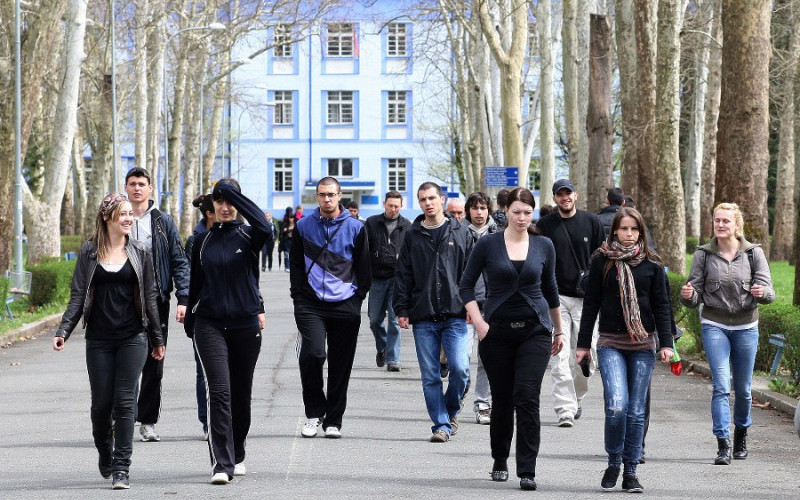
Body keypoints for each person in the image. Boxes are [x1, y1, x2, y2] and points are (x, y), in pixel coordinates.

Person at [52, 193, 165, 490]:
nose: (129, 218)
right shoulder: (89, 252)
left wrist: (157, 337)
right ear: (107, 218)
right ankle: (105, 450)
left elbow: (150, 298)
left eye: (131, 213)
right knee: (101, 406)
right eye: (122, 214)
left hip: (133, 336)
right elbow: (78, 295)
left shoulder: (141, 251)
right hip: (99, 339)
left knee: (125, 401)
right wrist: (63, 330)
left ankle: (121, 467)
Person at [460, 188, 564, 491]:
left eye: (527, 212)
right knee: (503, 399)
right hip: (496, 332)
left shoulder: (544, 245)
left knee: (528, 397)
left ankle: (527, 469)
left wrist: (557, 330)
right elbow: (466, 285)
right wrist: (479, 322)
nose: (521, 217)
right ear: (505, 211)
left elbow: (551, 290)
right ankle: (499, 459)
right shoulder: (488, 244)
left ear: (533, 213)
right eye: (516, 211)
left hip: (535, 331)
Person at [575, 207, 674, 493]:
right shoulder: (602, 261)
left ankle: (630, 472)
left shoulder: (652, 263)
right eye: (624, 229)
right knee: (617, 405)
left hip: (643, 345)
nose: (629, 235)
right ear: (614, 231)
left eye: (634, 230)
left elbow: (662, 305)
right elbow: (591, 304)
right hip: (610, 343)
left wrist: (666, 343)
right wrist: (583, 346)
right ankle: (614, 461)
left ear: (641, 232)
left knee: (636, 411)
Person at [184, 179, 270, 485]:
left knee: (240, 396)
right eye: (219, 202)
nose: (225, 207)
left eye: (230, 202)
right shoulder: (201, 242)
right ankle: (221, 462)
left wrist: (233, 193)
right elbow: (195, 283)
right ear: (211, 207)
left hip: (245, 325)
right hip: (209, 325)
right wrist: (192, 320)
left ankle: (238, 448)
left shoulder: (249, 236)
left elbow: (266, 226)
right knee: (218, 391)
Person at [680, 202, 774, 465]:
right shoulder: (703, 254)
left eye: (726, 221)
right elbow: (693, 294)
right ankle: (723, 443)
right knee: (721, 386)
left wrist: (762, 293)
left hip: (746, 327)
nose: (720, 225)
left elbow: (770, 293)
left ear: (736, 225)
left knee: (743, 389)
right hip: (714, 325)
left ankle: (741, 433)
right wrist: (687, 295)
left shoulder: (754, 254)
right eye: (717, 220)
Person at [291, 177, 371, 439]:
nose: (327, 199)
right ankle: (314, 413)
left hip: (345, 304)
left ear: (340, 196)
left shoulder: (357, 228)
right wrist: (298, 297)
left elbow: (364, 267)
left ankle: (334, 420)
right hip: (310, 303)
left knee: (341, 363)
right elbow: (295, 266)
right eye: (322, 195)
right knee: (313, 354)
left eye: (331, 195)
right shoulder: (303, 227)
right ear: (317, 197)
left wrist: (357, 298)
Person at [394, 181, 473, 443]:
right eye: (423, 199)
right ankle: (441, 425)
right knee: (430, 376)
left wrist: (475, 306)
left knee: (460, 369)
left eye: (431, 198)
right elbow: (403, 274)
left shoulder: (460, 231)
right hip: (423, 314)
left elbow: (473, 273)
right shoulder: (412, 235)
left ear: (442, 199)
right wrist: (402, 308)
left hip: (455, 313)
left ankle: (451, 411)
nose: (428, 203)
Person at [124, 167, 189, 443]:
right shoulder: (117, 218)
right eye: (132, 184)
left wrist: (183, 298)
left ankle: (147, 421)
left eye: (142, 184)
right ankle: (122, 419)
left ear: (150, 189)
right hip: (122, 302)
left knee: (154, 361)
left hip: (156, 300)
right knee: (124, 363)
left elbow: (178, 260)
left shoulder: (164, 222)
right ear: (126, 188)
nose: (137, 188)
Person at [536, 179, 604, 427]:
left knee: (589, 357)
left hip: (588, 301)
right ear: (554, 198)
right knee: (560, 355)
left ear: (576, 195)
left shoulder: (592, 222)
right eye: (559, 194)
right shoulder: (544, 226)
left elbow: (602, 258)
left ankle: (576, 397)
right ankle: (565, 409)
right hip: (556, 300)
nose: (564, 198)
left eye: (568, 193)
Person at [365, 191, 411, 372]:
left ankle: (393, 359)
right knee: (374, 319)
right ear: (384, 204)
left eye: (396, 206)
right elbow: (364, 250)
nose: (393, 209)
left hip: (397, 280)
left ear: (401, 206)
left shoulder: (407, 226)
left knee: (394, 320)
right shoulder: (372, 223)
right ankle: (382, 347)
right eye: (390, 205)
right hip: (376, 278)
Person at [463, 192, 499, 424]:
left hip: (493, 305)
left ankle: (483, 404)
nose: (479, 213)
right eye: (475, 208)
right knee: (462, 358)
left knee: (487, 358)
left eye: (483, 208)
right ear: (468, 211)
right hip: (465, 305)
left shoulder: (500, 234)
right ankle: (456, 398)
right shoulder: (457, 233)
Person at [184, 194, 214, 440]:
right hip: (204, 314)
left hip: (235, 314)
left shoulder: (240, 235)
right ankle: (207, 421)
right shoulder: (195, 242)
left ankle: (224, 418)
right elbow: (188, 280)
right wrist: (186, 307)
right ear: (210, 214)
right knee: (202, 370)